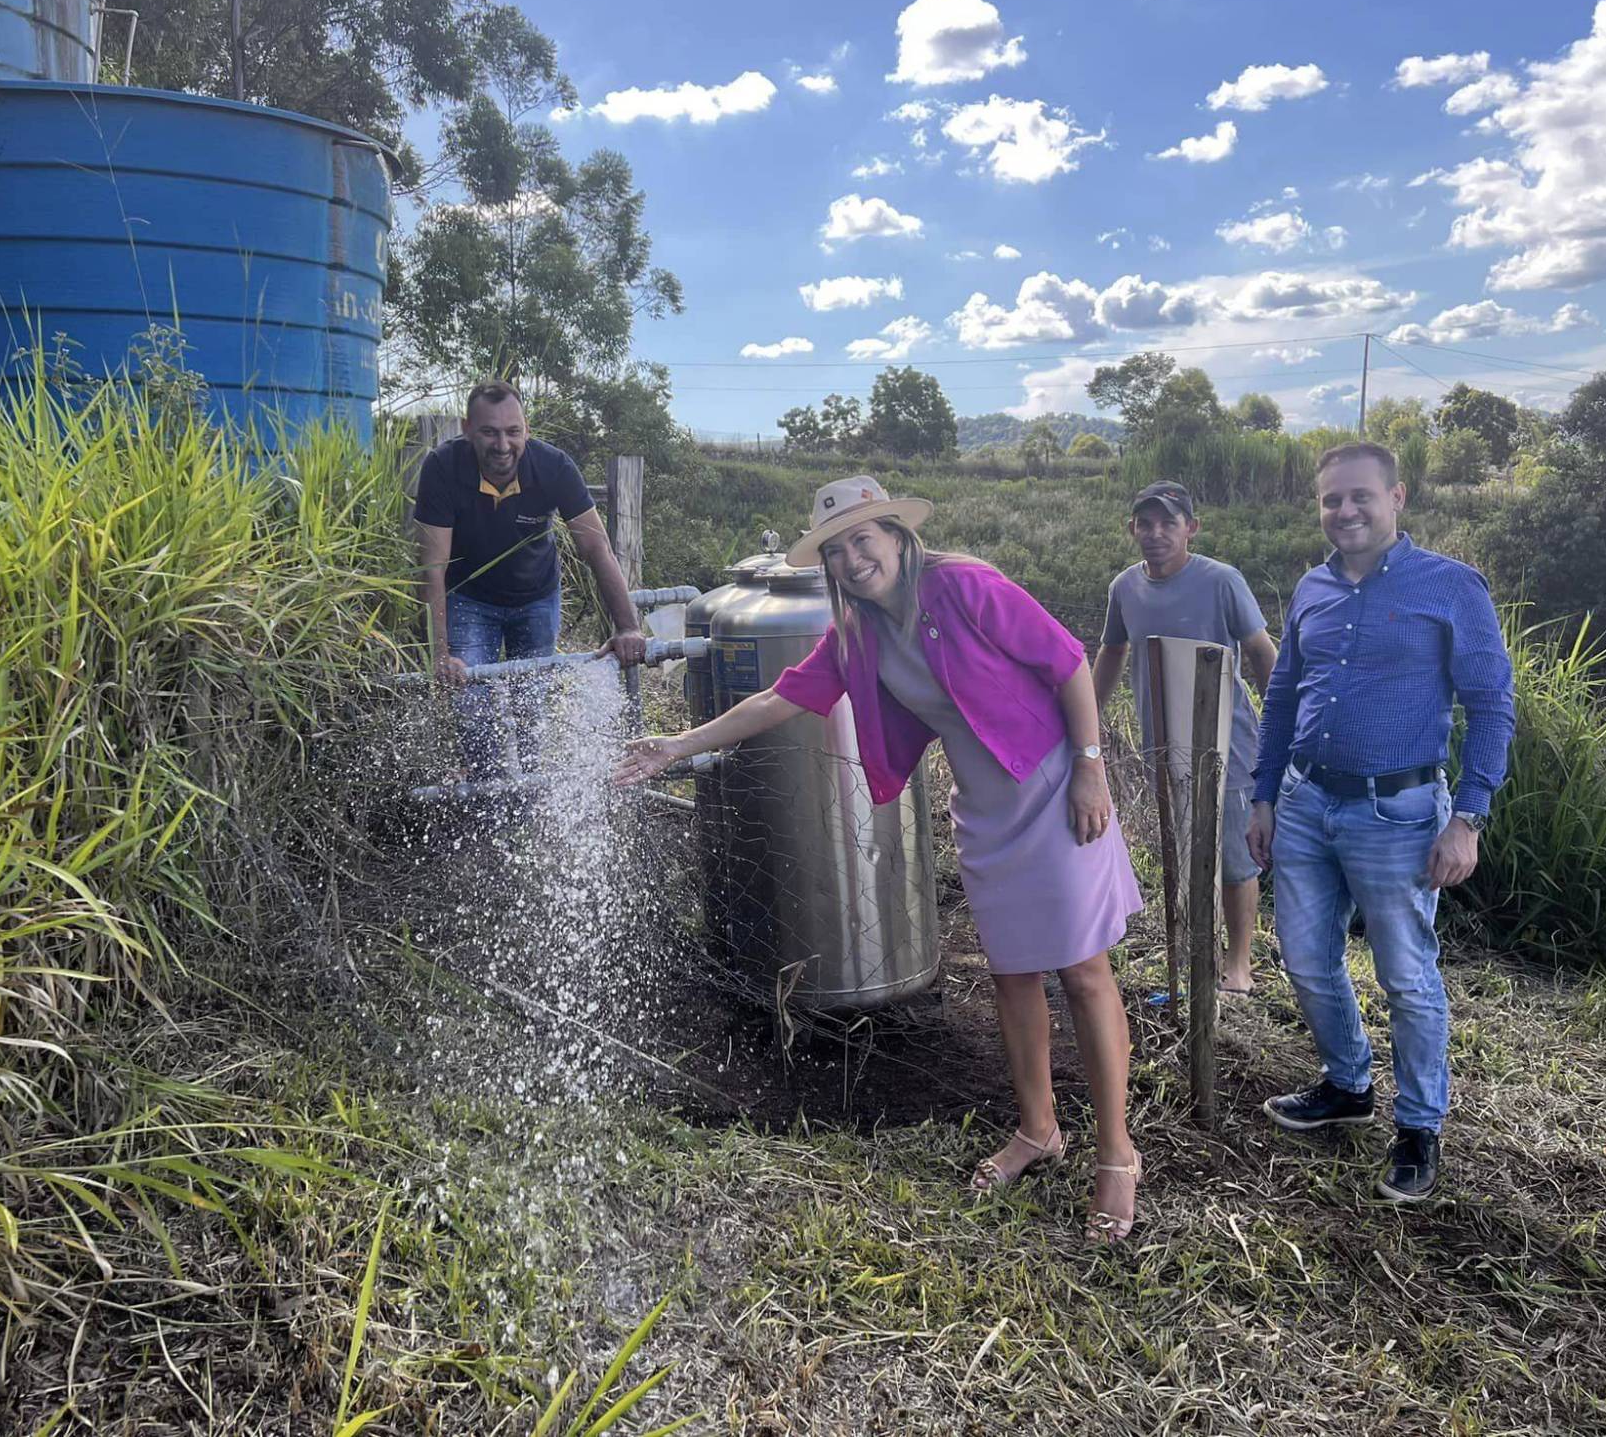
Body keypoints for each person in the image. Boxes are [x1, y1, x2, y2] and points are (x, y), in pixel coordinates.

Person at [613, 477, 1148, 1245]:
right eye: (837, 550)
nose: (854, 557)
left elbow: (1066, 660)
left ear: (898, 536)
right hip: (985, 813)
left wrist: (1092, 765)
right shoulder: (857, 633)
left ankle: (1117, 1154)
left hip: (1055, 791)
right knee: (1012, 975)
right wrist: (676, 744)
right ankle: (1038, 1128)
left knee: (1083, 974)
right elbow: (780, 699)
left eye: (865, 539)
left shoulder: (964, 586)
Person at [1247, 441, 1515, 1202]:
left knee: (1406, 974)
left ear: (1397, 498)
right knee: (1305, 959)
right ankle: (1347, 1082)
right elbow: (1285, 696)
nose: (1345, 511)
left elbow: (1492, 704)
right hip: (1305, 804)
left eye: (1361, 496)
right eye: (1332, 499)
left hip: (1397, 813)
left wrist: (1468, 817)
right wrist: (1265, 795)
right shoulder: (1312, 588)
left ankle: (1420, 1127)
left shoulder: (1450, 587)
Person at [1093, 480, 1278, 995]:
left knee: (1236, 854)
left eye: (1167, 523)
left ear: (1190, 529)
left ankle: (1238, 966)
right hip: (1164, 742)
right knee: (1185, 850)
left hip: (1230, 742)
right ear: (1132, 528)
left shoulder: (1222, 581)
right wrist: (1085, 720)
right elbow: (1112, 653)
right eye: (1144, 523)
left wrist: (1284, 731)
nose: (1155, 533)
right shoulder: (1124, 588)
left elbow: (1262, 653)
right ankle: (1194, 960)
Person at [413, 381, 646, 776]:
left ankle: (530, 791)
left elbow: (596, 548)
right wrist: (440, 654)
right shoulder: (442, 467)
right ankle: (488, 798)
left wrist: (627, 627)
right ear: (468, 429)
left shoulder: (553, 466)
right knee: (472, 705)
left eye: (512, 432)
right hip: (470, 597)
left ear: (527, 430)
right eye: (489, 432)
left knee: (529, 701)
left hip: (536, 595)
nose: (502, 445)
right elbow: (431, 566)